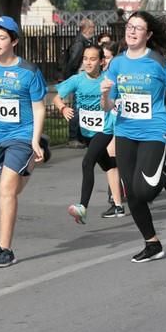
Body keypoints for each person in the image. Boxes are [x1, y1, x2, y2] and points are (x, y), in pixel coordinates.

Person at [100, 11, 166, 263]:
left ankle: (164, 176)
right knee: (132, 193)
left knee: (146, 192)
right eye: (129, 26)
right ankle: (152, 244)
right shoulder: (117, 63)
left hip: (154, 130)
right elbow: (108, 106)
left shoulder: (159, 63)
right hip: (125, 131)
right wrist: (105, 95)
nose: (131, 31)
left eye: (138, 28)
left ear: (148, 34)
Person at [0, 16, 48, 268]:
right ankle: (32, 161)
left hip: (23, 136)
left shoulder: (29, 71)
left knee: (6, 189)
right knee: (11, 190)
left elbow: (39, 108)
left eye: (2, 37)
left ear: (14, 41)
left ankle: (4, 249)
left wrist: (35, 140)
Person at [53, 44, 124, 221]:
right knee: (109, 165)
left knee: (87, 162)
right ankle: (118, 205)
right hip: (86, 132)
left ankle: (83, 206)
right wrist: (62, 108)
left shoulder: (108, 81)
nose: (88, 63)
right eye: (85, 59)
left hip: (105, 129)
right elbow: (56, 97)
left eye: (93, 59)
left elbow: (116, 102)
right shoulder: (77, 80)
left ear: (101, 62)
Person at [64, 18, 95, 148]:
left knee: (83, 107)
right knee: (77, 108)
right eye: (92, 27)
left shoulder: (84, 42)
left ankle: (81, 136)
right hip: (80, 79)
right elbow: (73, 63)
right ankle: (73, 137)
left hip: (83, 79)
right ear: (87, 29)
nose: (94, 29)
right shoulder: (79, 43)